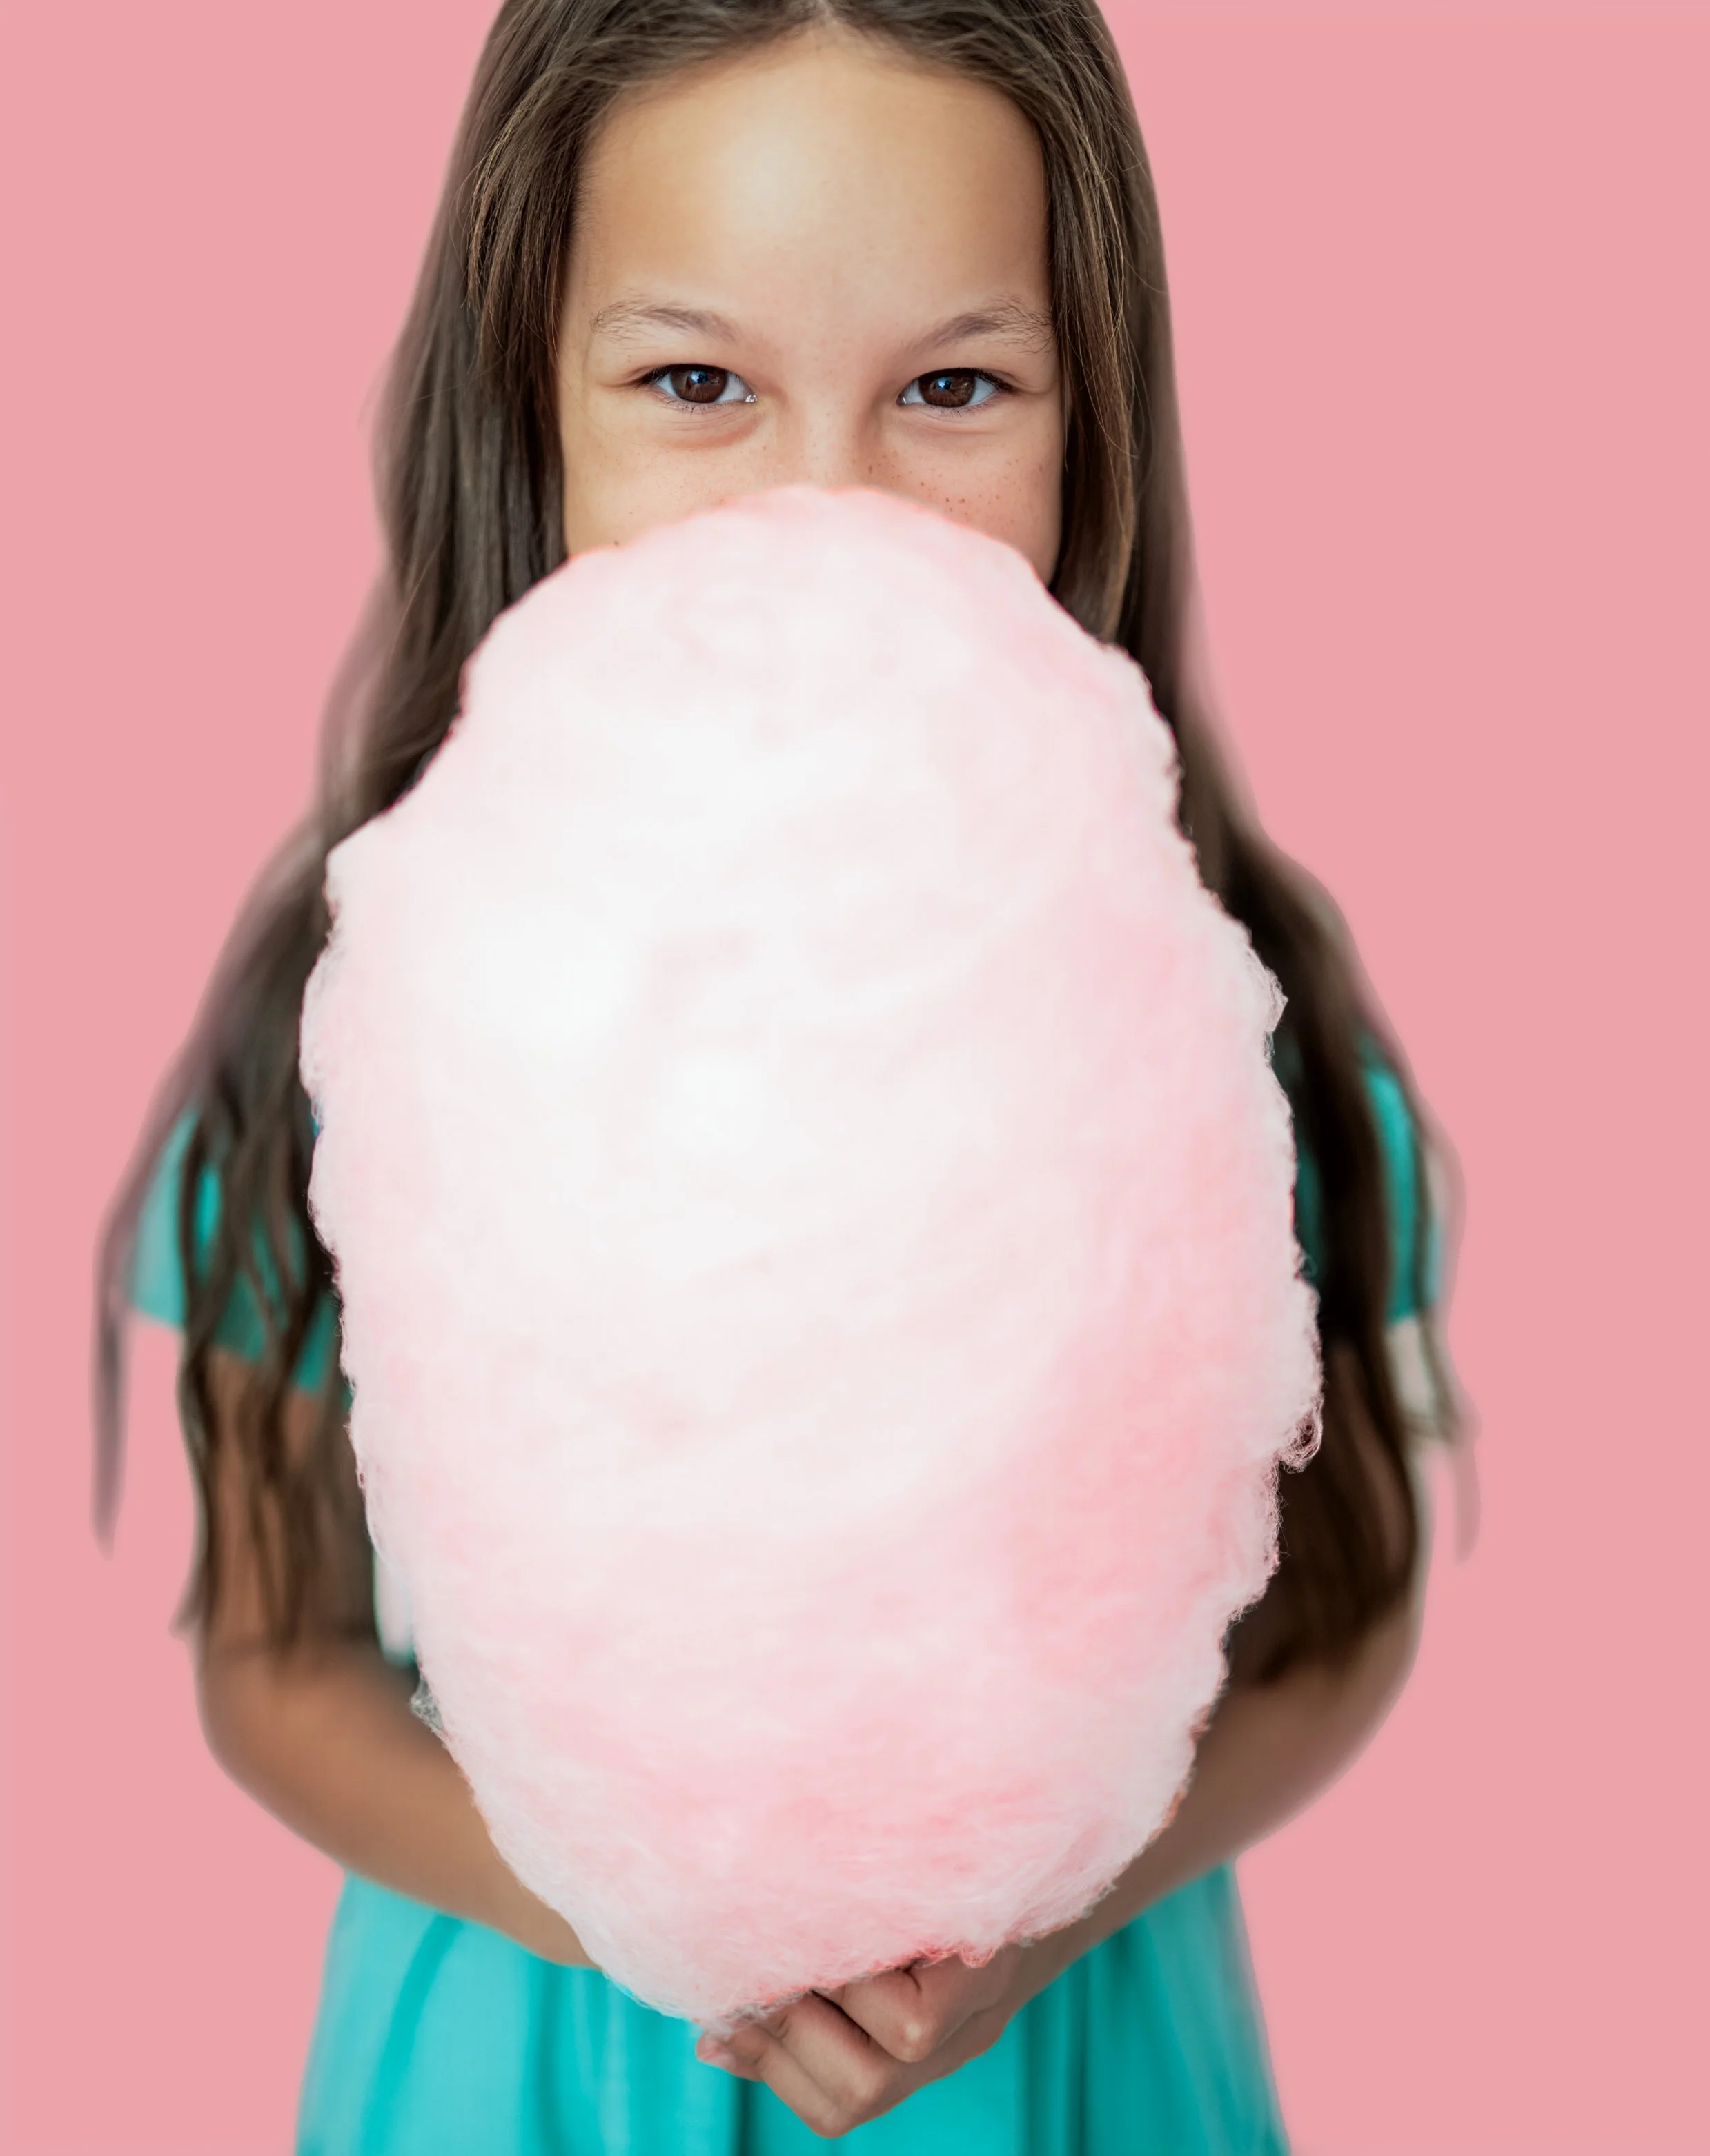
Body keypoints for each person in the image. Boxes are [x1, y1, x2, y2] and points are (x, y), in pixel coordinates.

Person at [92, 1, 1468, 2147]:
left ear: (1087, 417)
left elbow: (1341, 1618)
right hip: (525, 2039)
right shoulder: (340, 1024)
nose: (823, 505)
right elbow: (274, 1667)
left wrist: (1045, 1897)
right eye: (694, 383)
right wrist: (639, 1887)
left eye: (948, 387)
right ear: (529, 405)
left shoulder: (1231, 1010)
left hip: (1073, 2045)